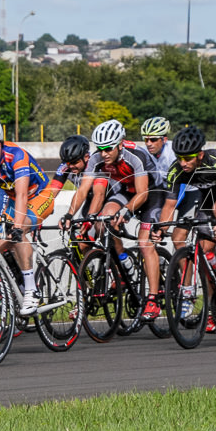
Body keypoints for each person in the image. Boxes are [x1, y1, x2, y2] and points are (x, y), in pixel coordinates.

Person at [152, 126, 216, 333]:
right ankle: (212, 307)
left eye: (188, 158)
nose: (183, 163)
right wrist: (161, 227)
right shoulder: (177, 170)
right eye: (180, 158)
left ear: (200, 155)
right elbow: (169, 205)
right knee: (203, 252)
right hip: (209, 195)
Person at [0, 119, 53, 316]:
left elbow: (23, 194)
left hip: (37, 195)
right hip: (11, 198)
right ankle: (1, 288)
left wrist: (16, 227)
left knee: (16, 231)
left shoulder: (16, 155)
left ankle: (31, 290)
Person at [88, 119, 167, 322]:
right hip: (126, 191)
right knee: (102, 223)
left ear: (120, 144)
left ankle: (153, 299)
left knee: (144, 242)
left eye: (108, 149)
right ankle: (125, 265)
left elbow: (142, 192)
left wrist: (126, 211)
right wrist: (77, 217)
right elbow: (84, 190)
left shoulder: (136, 155)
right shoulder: (97, 158)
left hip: (151, 194)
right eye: (100, 149)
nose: (103, 153)